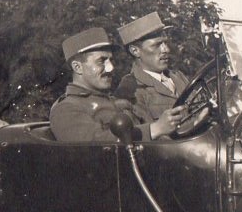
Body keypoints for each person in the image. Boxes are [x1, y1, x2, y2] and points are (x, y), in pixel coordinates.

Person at [49, 27, 187, 142]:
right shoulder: (65, 109)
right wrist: (154, 129)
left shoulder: (116, 102)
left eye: (110, 60)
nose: (111, 68)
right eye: (101, 61)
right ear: (77, 67)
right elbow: (94, 147)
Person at [114, 12, 191, 122]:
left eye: (165, 43)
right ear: (135, 51)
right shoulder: (130, 90)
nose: (166, 50)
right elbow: (141, 131)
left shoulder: (178, 76)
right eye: (156, 45)